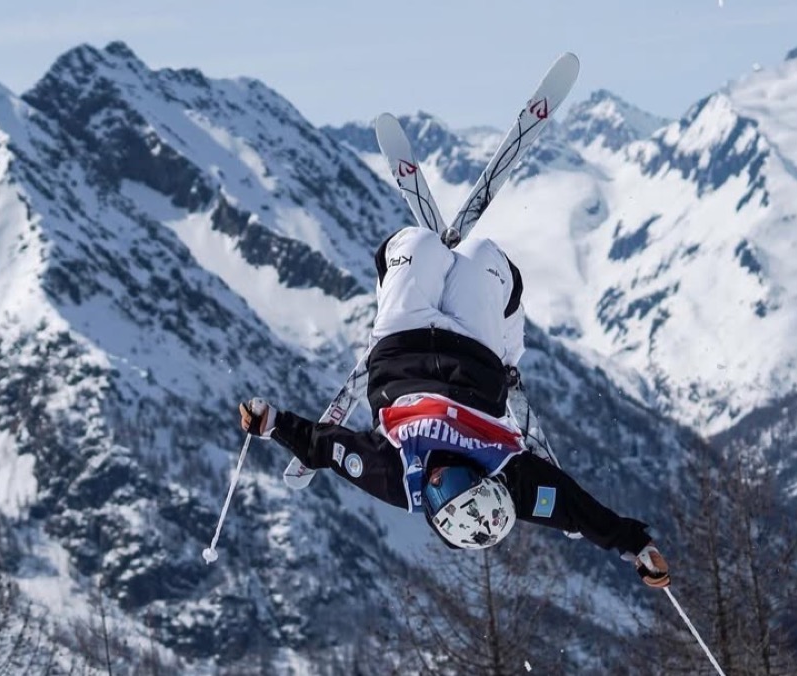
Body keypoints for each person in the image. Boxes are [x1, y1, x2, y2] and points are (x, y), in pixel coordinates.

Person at [239, 227, 670, 588]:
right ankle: (507, 347)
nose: (440, 478)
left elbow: (326, 448)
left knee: (411, 245)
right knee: (488, 258)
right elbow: (577, 509)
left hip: (400, 341)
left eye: (438, 494)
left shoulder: (395, 479)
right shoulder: (511, 480)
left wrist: (271, 423)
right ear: (483, 480)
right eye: (458, 482)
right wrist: (636, 547)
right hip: (474, 349)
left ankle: (418, 267)